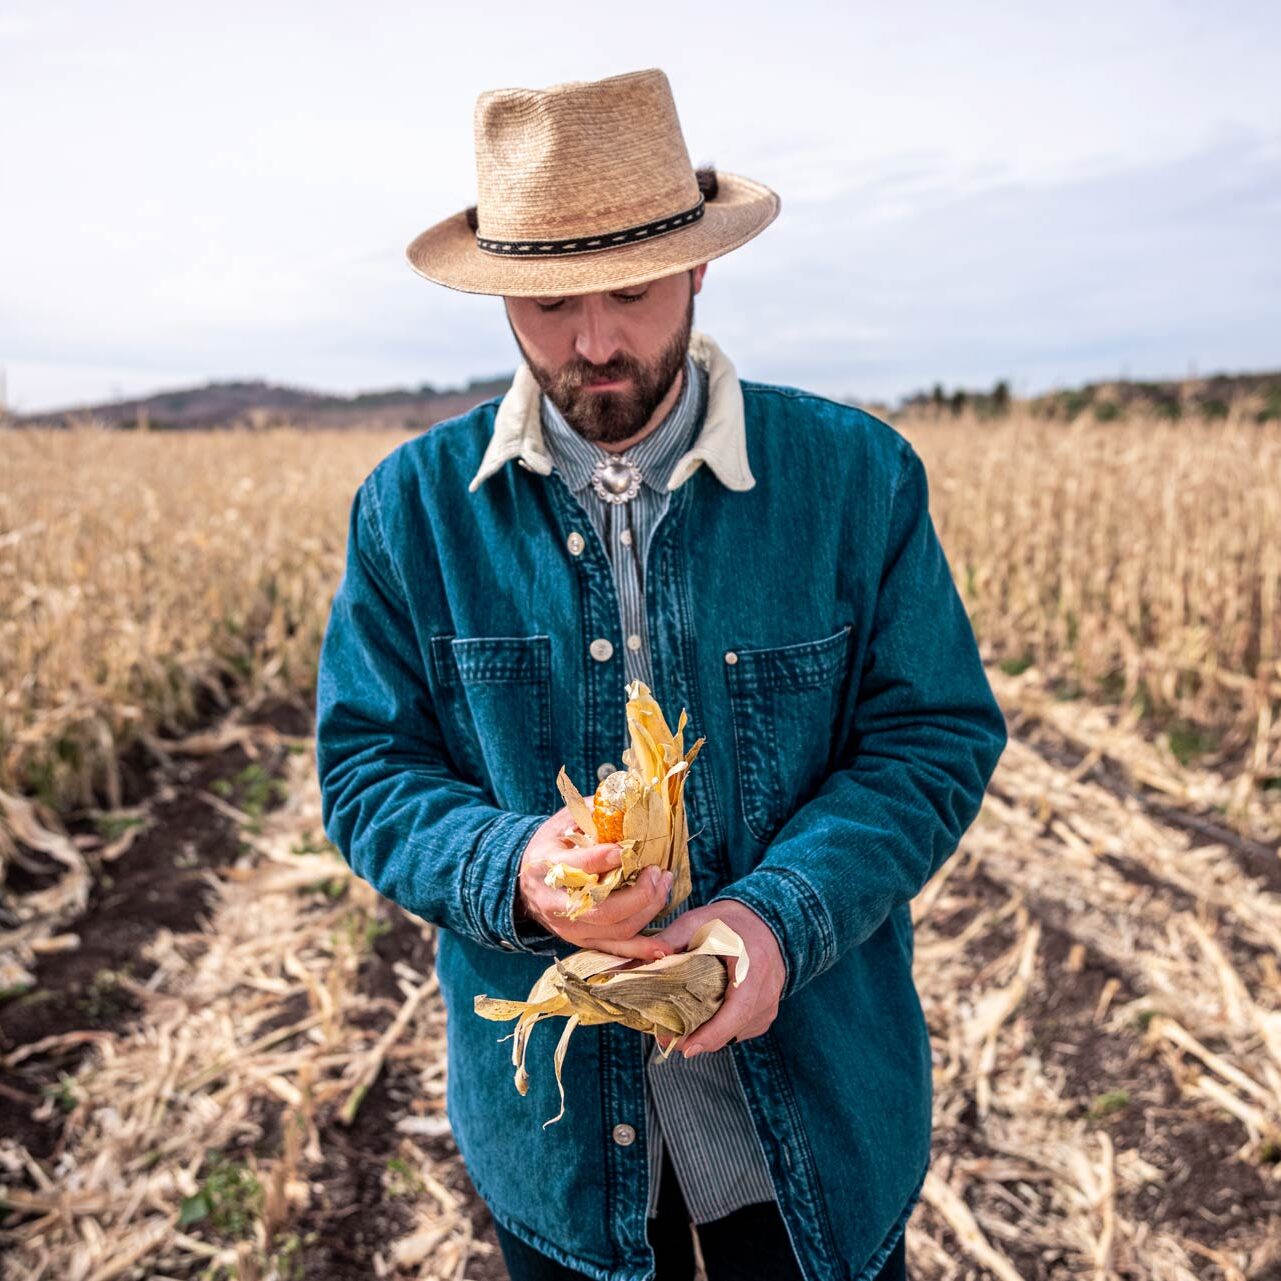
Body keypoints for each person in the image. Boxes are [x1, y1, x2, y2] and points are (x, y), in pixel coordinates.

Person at [315, 67, 1008, 1281]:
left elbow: (931, 738)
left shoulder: (858, 479)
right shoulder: (409, 515)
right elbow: (368, 771)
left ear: (699, 265)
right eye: (544, 307)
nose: (593, 343)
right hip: (563, 1156)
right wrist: (522, 871)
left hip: (817, 1128)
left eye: (630, 292)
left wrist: (773, 920)